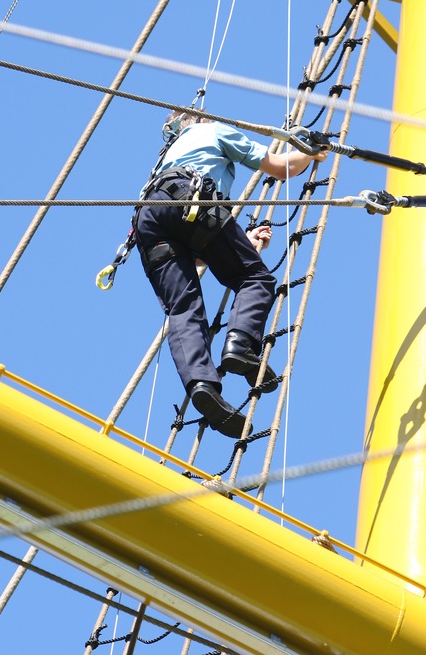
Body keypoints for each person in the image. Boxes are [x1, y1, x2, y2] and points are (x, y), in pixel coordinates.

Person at [134, 110, 328, 438]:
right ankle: (240, 345)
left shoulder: (166, 157)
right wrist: (310, 152)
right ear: (202, 119)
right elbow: (281, 168)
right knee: (256, 279)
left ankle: (201, 385)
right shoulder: (215, 132)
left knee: (183, 307)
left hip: (148, 221)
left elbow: (196, 263)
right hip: (190, 199)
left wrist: (244, 245)